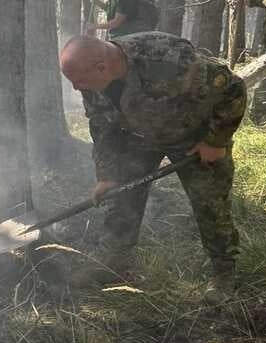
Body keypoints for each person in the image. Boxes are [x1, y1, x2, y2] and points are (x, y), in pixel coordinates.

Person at [60, 33, 246, 298]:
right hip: (139, 137)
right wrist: (107, 174)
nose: (76, 88)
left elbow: (233, 89)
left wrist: (215, 141)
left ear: (101, 68)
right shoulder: (92, 80)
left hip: (193, 135)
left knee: (210, 203)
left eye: (78, 81)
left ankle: (224, 272)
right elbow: (102, 128)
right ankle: (113, 262)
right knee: (120, 194)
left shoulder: (171, 60)